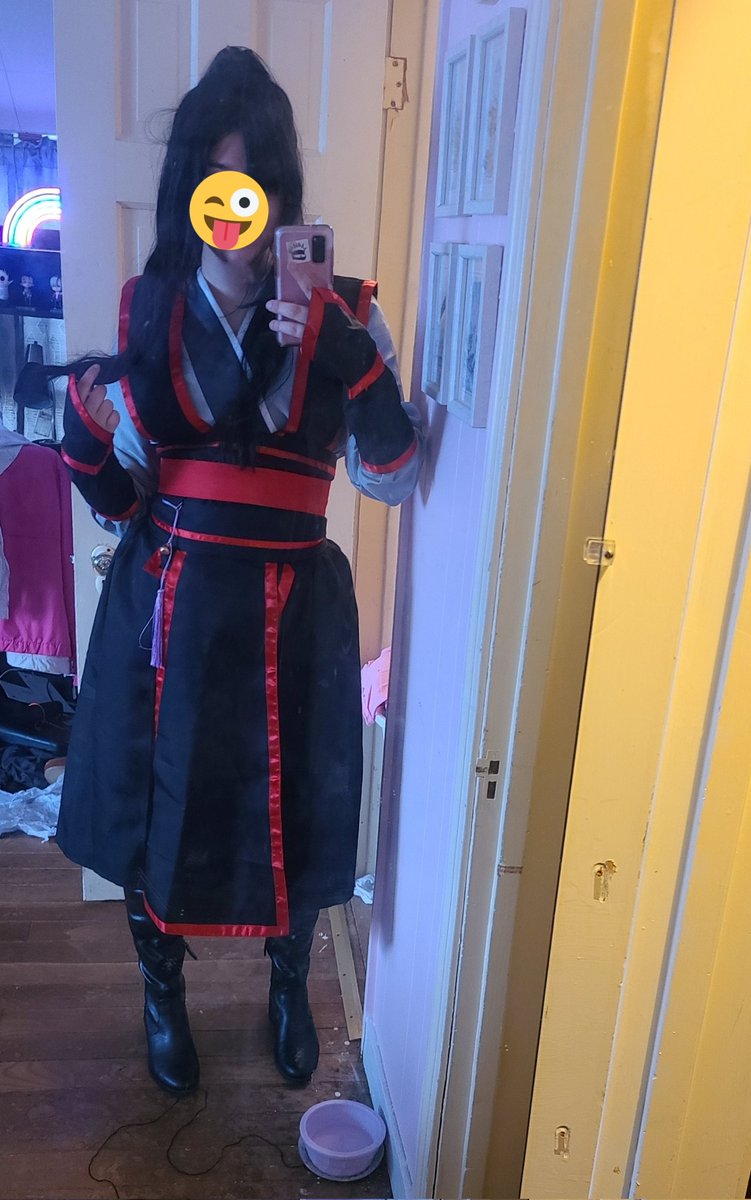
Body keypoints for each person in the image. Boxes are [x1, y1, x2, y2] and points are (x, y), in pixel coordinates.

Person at [54, 47, 423, 1096]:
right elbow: (122, 495)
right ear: (188, 191)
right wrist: (88, 443)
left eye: (252, 185)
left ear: (280, 193)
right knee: (153, 808)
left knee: (296, 807)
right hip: (169, 607)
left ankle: (288, 986)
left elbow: (392, 478)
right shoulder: (148, 310)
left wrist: (352, 358)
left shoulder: (346, 307)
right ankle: (161, 994)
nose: (235, 212)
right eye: (215, 185)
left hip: (296, 608)